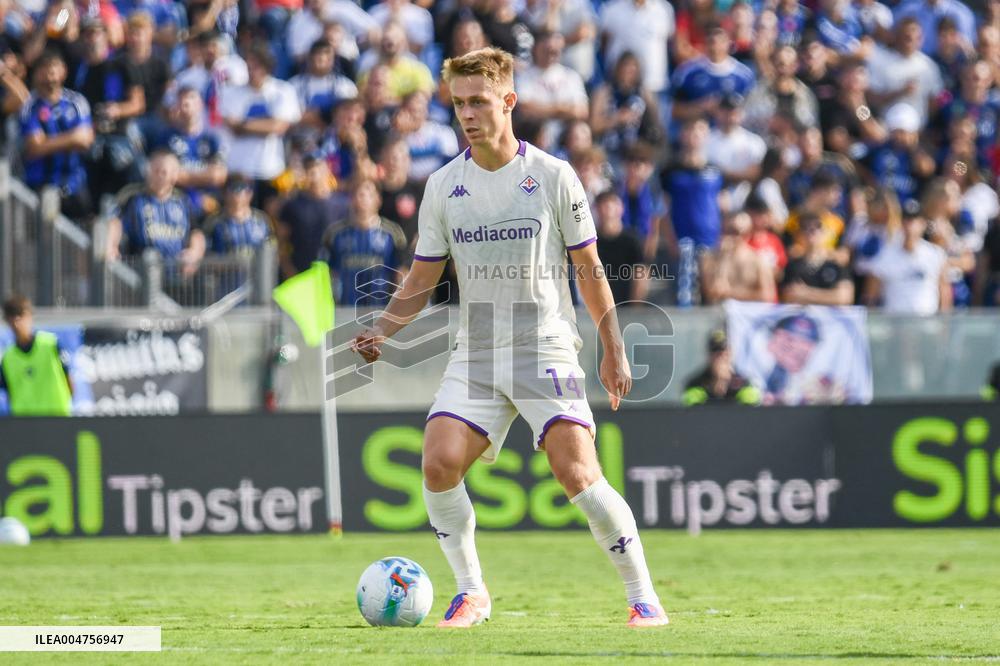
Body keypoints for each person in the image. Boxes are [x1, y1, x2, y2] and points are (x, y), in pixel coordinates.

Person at [352, 47, 667, 628]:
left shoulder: (551, 175)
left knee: (578, 473)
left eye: (478, 101)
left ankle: (644, 597)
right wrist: (383, 328)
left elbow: (589, 268)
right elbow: (423, 276)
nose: (467, 114)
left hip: (545, 344)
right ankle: (472, 593)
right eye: (458, 104)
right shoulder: (444, 185)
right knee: (438, 463)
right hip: (476, 350)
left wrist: (613, 346)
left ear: (508, 101)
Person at [20, 49, 95, 221]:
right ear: (37, 73)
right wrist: (72, 138)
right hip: (40, 186)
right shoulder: (30, 106)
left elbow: (85, 140)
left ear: (64, 71)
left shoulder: (76, 102)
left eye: (54, 68)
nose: (50, 75)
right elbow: (34, 148)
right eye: (45, 69)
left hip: (74, 185)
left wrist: (47, 142)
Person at [321, 179, 407, 306]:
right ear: (351, 199)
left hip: (381, 310)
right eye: (358, 194)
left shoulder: (393, 234)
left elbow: (401, 274)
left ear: (378, 199)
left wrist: (396, 306)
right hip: (343, 310)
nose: (362, 199)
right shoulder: (334, 234)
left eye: (368, 194)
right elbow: (326, 273)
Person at [863, 209, 951, 313]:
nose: (910, 226)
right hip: (896, 323)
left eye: (914, 221)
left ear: (923, 224)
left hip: (927, 323)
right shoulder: (885, 255)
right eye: (906, 221)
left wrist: (944, 322)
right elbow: (871, 294)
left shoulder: (935, 254)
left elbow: (944, 289)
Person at [277, 153, 348, 279]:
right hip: (301, 276)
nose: (314, 173)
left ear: (327, 169)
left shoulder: (342, 204)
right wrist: (289, 271)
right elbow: (281, 243)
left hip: (334, 277)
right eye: (308, 168)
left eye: (318, 167)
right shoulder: (292, 205)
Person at [0, 296, 73, 417]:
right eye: (12, 318)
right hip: (25, 425)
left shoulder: (51, 344)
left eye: (20, 316)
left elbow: (69, 381)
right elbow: (9, 393)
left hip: (57, 419)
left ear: (29, 316)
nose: (17, 323)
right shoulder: (8, 358)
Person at [701, 212, 778, 304]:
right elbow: (711, 291)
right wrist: (723, 260)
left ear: (748, 233)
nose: (729, 236)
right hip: (717, 314)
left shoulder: (758, 260)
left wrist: (730, 293)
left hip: (748, 315)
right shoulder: (709, 257)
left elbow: (768, 296)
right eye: (726, 231)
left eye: (735, 232)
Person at [780, 213, 855, 306]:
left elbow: (844, 298)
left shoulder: (836, 264)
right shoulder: (792, 265)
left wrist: (807, 293)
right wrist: (829, 296)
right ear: (798, 235)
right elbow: (789, 296)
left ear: (825, 232)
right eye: (805, 227)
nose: (811, 230)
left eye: (818, 226)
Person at [594, 189, 648, 305]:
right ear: (596, 209)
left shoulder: (632, 240)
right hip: (598, 306)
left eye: (613, 204)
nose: (608, 209)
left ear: (621, 208)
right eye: (603, 204)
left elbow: (641, 273)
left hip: (626, 306)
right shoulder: (591, 241)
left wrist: (635, 306)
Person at [682, 329, 760, 406]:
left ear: (730, 353)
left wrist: (725, 383)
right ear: (709, 356)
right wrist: (716, 385)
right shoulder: (696, 384)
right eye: (716, 353)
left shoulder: (744, 384)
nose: (720, 358)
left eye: (723, 353)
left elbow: (750, 410)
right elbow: (693, 410)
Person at [204, 174, 273, 256]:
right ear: (224, 193)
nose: (240, 194)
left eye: (245, 189)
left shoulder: (261, 220)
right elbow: (206, 252)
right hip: (225, 267)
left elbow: (271, 247)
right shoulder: (213, 222)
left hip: (256, 267)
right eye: (235, 189)